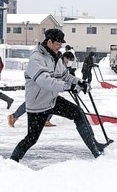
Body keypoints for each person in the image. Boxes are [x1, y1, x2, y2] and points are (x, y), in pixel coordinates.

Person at [10, 28, 106, 162]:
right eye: (57, 43)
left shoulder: (55, 57)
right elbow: (45, 81)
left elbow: (65, 76)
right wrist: (67, 86)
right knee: (31, 139)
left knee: (78, 113)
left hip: (52, 99)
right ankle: (12, 161)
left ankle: (95, 147)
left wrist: (80, 82)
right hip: (38, 105)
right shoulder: (36, 58)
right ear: (49, 41)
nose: (60, 46)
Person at [8, 51, 75, 128]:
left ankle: (45, 119)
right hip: (41, 85)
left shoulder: (61, 65)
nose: (70, 62)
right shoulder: (55, 62)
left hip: (48, 87)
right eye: (69, 60)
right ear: (65, 58)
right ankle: (14, 116)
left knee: (50, 101)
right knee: (36, 102)